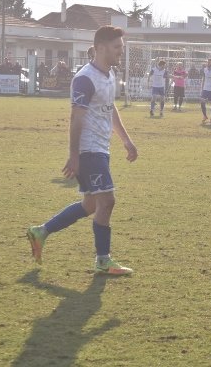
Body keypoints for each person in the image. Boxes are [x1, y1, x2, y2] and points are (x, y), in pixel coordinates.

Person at [26, 26, 138, 276]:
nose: (121, 51)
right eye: (117, 47)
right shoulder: (84, 78)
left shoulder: (108, 75)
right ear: (100, 48)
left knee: (90, 205)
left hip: (101, 148)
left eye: (121, 46)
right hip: (89, 151)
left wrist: (126, 141)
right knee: (107, 202)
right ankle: (102, 260)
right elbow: (76, 118)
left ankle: (41, 231)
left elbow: (110, 109)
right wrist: (74, 155)